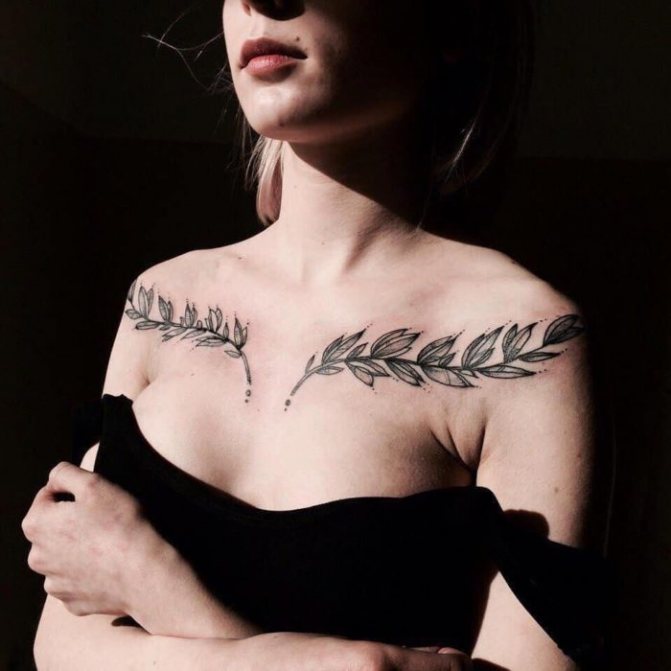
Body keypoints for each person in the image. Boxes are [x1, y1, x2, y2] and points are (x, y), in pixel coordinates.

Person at [21, 1, 614, 669]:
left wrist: (155, 583)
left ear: (455, 22)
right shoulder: (160, 303)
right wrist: (334, 662)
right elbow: (60, 645)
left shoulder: (525, 344)